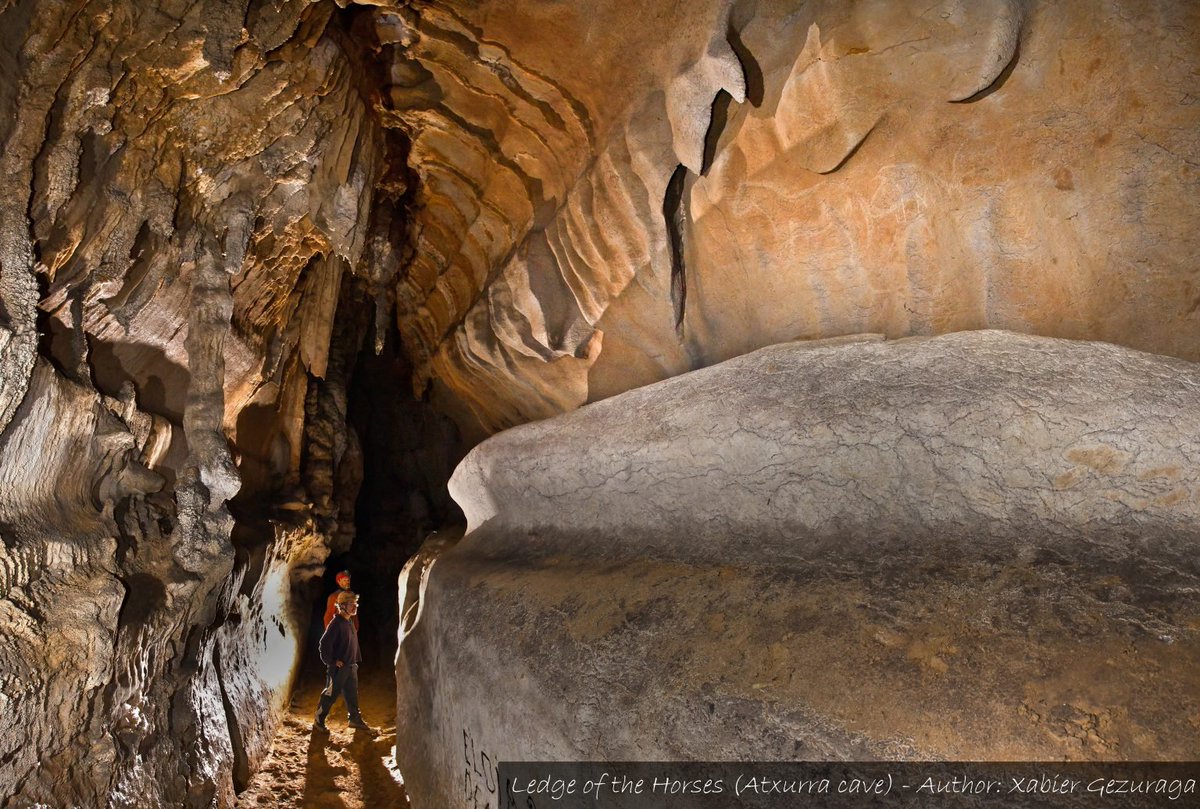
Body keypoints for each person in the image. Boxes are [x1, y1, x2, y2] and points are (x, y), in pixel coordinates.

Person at [313, 591, 377, 735]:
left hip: (351, 666)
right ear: (342, 606)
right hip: (339, 669)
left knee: (352, 694)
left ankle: (355, 719)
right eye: (351, 604)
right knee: (330, 694)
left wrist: (354, 661)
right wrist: (332, 661)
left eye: (356, 604)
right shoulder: (336, 623)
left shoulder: (349, 622)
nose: (355, 607)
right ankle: (319, 720)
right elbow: (324, 644)